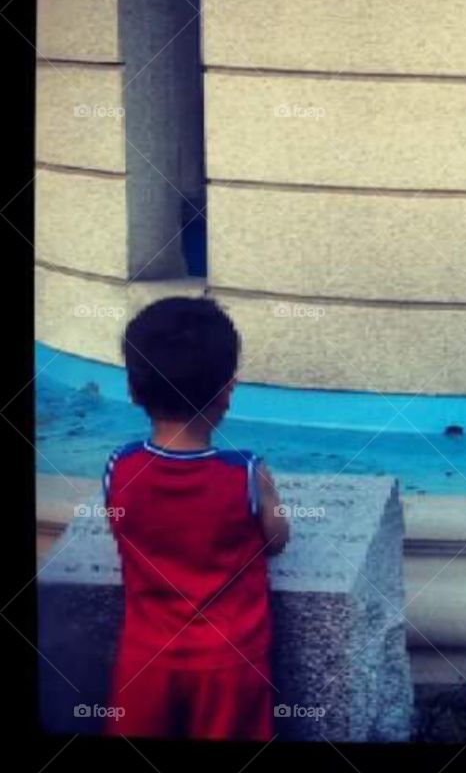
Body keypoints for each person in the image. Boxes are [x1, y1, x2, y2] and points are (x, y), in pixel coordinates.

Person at [102, 297, 290, 739]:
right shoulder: (245, 474)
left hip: (145, 661)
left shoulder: (119, 468)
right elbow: (277, 538)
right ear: (229, 390)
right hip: (231, 664)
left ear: (132, 389)